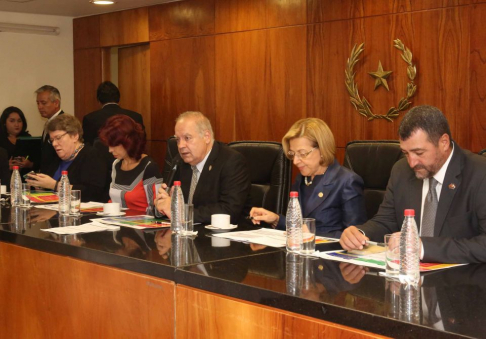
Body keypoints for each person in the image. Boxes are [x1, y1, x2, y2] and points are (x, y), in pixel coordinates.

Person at [340, 105, 486, 264]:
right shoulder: (401, 171)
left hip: (462, 281)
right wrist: (359, 233)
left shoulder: (479, 173)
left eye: (419, 153)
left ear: (443, 142)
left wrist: (423, 248)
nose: (411, 162)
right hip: (408, 277)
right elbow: (386, 221)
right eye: (405, 153)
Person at [250, 118, 367, 238]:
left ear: (322, 149)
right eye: (292, 154)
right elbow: (301, 227)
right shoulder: (301, 178)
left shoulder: (347, 181)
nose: (295, 161)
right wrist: (276, 219)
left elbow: (356, 236)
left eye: (302, 154)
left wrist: (313, 234)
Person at [155, 111, 251, 224]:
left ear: (206, 136)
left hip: (224, 237)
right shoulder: (179, 161)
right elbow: (166, 203)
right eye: (178, 140)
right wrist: (160, 206)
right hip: (188, 234)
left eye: (187, 138)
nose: (180, 146)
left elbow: (228, 211)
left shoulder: (231, 161)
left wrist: (181, 213)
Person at [26, 114, 106, 202]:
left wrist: (55, 185)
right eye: (52, 140)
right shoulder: (55, 158)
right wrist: (40, 187)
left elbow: (92, 193)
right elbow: (51, 193)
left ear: (75, 136)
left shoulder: (92, 156)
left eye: (58, 138)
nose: (54, 144)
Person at [99, 114, 163, 213]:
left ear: (128, 142)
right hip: (116, 223)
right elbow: (113, 201)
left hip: (142, 225)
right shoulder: (116, 164)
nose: (110, 150)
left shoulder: (149, 167)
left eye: (114, 145)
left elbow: (157, 210)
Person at [82, 81, 145, 145]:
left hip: (100, 154)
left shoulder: (90, 119)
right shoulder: (136, 117)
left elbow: (88, 146)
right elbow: (141, 143)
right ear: (119, 99)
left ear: (99, 101)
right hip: (129, 154)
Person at [36, 85, 64, 172]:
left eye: (43, 103)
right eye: (38, 103)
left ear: (56, 103)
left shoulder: (63, 122)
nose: (40, 107)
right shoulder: (49, 122)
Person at [0, 106, 34, 172]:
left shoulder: (28, 138)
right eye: (12, 121)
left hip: (25, 179)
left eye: (19, 121)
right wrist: (5, 166)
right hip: (4, 179)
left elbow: (38, 162)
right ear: (4, 123)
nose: (16, 124)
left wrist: (29, 164)